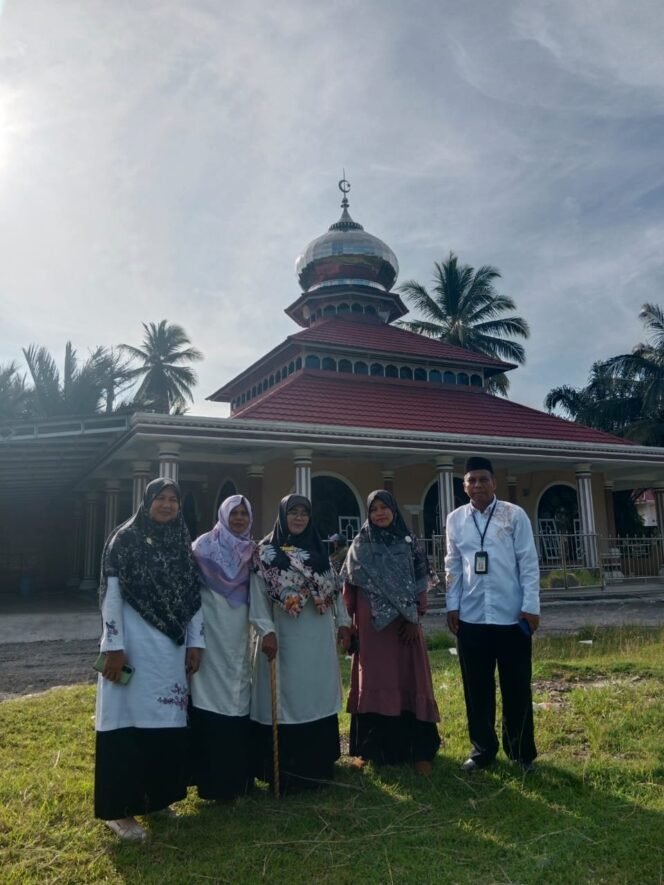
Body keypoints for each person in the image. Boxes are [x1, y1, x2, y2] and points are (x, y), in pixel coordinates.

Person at [94, 478, 204, 841]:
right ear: (147, 501)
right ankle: (120, 812)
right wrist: (113, 646)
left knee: (165, 722)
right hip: (132, 649)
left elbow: (193, 598)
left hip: (169, 653)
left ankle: (158, 799)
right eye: (161, 498)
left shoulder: (180, 543)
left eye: (174, 499)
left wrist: (195, 642)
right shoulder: (124, 540)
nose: (168, 504)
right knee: (126, 723)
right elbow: (111, 595)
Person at [250, 494, 351, 794]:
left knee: (316, 696)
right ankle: (285, 772)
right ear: (283, 516)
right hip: (283, 637)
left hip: (317, 637)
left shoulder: (319, 548)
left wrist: (344, 623)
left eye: (303, 513)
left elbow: (335, 589)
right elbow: (256, 595)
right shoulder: (265, 552)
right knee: (287, 698)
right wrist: (265, 630)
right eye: (292, 512)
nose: (298, 518)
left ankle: (318, 766)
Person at [445, 456, 540, 773]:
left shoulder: (514, 516)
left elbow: (528, 563)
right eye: (471, 480)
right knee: (477, 688)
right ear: (464, 485)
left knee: (516, 686)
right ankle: (483, 749)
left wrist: (531, 607)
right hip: (471, 617)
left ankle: (521, 752)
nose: (478, 485)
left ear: (494, 482)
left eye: (483, 479)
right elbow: (453, 566)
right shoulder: (455, 519)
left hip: (512, 616)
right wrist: (452, 606)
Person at [341, 490, 441, 774]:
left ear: (394, 511)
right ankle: (368, 750)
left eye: (385, 508)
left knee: (410, 679)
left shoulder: (409, 544)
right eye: (374, 509)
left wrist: (414, 618)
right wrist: (350, 625)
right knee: (372, 680)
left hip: (404, 629)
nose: (380, 513)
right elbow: (349, 588)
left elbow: (421, 584)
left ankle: (418, 751)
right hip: (371, 629)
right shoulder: (359, 545)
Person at [190, 495, 255, 800]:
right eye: (235, 513)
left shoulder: (252, 552)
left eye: (244, 513)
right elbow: (191, 595)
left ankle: (240, 780)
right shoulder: (202, 547)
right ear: (223, 515)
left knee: (239, 699)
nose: (239, 518)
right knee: (209, 701)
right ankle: (212, 782)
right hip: (210, 635)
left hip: (240, 638)